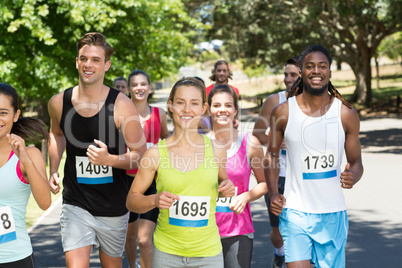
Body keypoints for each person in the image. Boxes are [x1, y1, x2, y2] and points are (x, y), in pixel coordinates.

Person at [47, 32, 147, 267]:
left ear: (107, 65)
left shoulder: (122, 104)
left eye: (95, 59)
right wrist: (53, 168)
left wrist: (109, 160)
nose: (88, 65)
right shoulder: (58, 102)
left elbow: (142, 157)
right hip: (75, 202)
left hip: (113, 206)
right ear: (76, 62)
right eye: (83, 58)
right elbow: (56, 133)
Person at [266, 44, 363, 268]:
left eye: (322, 66)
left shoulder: (346, 114)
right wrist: (273, 194)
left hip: (333, 213)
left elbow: (356, 162)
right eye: (309, 66)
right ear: (301, 71)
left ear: (329, 71)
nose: (316, 71)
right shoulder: (283, 112)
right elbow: (270, 157)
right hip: (295, 211)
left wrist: (354, 176)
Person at [126, 77, 236, 268]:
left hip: (208, 254)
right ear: (170, 106)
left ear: (203, 109)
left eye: (194, 103)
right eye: (180, 102)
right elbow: (131, 201)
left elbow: (222, 186)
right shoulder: (154, 154)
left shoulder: (217, 150)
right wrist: (154, 200)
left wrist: (227, 188)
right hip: (167, 254)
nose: (186, 110)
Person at [207, 84, 267, 268]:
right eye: (216, 105)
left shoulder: (250, 143)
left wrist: (246, 196)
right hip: (204, 230)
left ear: (235, 110)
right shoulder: (199, 144)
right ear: (208, 109)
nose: (222, 110)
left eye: (228, 105)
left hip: (238, 230)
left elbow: (264, 183)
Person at [252, 56, 301, 268]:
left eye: (293, 75)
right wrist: (275, 142)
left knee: (301, 225)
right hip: (277, 174)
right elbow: (257, 133)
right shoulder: (274, 101)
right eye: (286, 74)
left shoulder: (314, 102)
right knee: (277, 229)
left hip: (302, 175)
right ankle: (279, 254)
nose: (288, 79)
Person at [0, 83, 51, 268]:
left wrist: (26, 159)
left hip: (14, 258)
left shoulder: (30, 155)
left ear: (15, 115)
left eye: (3, 112)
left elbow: (45, 203)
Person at [125, 70, 170, 268]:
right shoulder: (122, 113)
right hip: (126, 181)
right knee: (130, 237)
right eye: (135, 85)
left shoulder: (159, 114)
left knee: (144, 239)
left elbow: (168, 140)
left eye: (143, 84)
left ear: (150, 87)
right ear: (128, 88)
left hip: (152, 181)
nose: (139, 88)